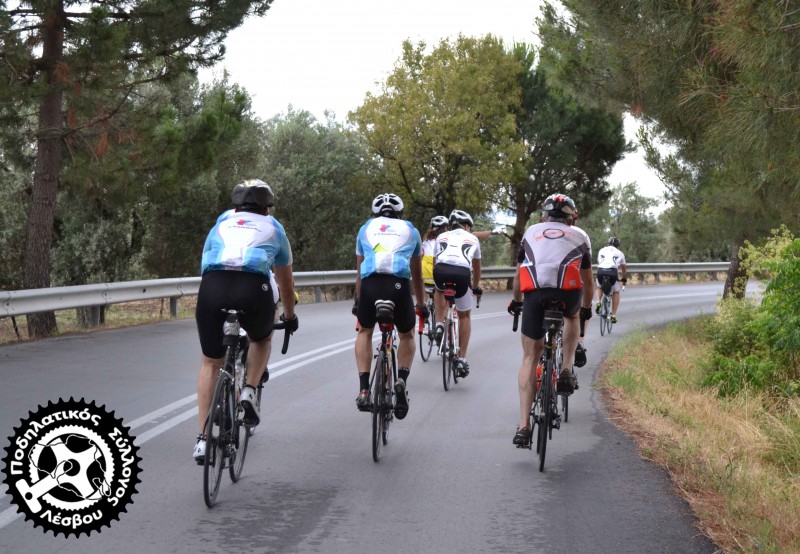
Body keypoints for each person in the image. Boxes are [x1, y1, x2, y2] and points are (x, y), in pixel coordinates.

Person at [193, 179, 298, 463]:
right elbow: (286, 286)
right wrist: (289, 316)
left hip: (213, 287)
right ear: (267, 208)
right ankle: (250, 390)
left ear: (236, 205)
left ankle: (202, 440)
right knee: (261, 338)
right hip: (254, 289)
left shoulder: (221, 222)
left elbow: (205, 264)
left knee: (209, 362)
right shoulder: (274, 228)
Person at [507, 193, 593, 447]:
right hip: (568, 293)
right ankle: (566, 368)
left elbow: (518, 275)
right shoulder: (580, 236)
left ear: (544, 216)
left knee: (529, 358)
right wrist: (586, 308)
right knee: (573, 315)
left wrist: (516, 301)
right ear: (571, 218)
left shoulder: (531, 231)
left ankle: (524, 427)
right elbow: (588, 281)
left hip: (535, 293)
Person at [353, 193, 427, 419]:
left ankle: (364, 388)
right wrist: (421, 304)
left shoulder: (365, 228)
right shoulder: (411, 230)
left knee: (365, 331)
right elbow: (417, 275)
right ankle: (401, 379)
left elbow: (360, 270)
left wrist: (358, 301)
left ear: (375, 214)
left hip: (370, 285)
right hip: (398, 286)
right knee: (406, 335)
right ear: (400, 213)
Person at [432, 209, 482, 377]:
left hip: (441, 271)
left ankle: (439, 324)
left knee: (438, 288)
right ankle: (461, 359)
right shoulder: (473, 238)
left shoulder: (441, 236)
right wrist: (474, 287)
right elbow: (476, 267)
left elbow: (435, 262)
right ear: (467, 225)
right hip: (462, 274)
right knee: (464, 316)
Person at [595, 237, 628, 324]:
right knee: (616, 292)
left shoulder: (602, 250)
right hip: (612, 272)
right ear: (618, 245)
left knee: (599, 287)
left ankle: (598, 302)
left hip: (601, 271)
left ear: (608, 243)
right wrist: (624, 278)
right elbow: (624, 268)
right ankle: (613, 315)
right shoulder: (620, 253)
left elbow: (600, 262)